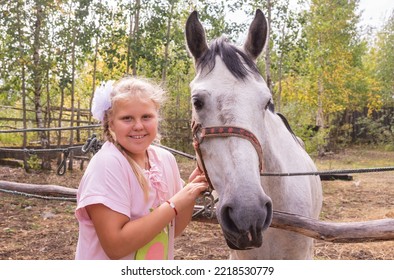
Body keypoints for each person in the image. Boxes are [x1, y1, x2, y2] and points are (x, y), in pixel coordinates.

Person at [75, 77, 208, 260]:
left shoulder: (165, 160)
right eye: (127, 118)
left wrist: (189, 193)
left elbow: (172, 229)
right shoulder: (107, 165)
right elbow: (116, 246)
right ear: (111, 123)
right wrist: (174, 203)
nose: (138, 126)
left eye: (146, 116)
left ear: (157, 117)